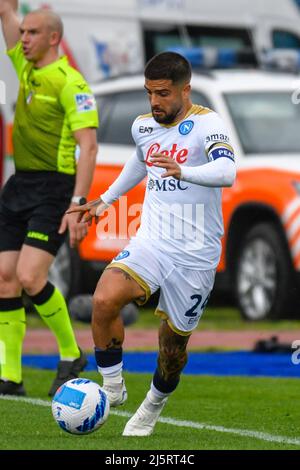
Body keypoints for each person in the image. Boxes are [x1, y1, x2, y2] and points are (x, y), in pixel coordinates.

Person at [68, 51, 236, 436]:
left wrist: (185, 170)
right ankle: (112, 389)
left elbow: (227, 171)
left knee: (172, 351)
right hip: (153, 241)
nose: (154, 102)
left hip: (197, 253)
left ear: (184, 89)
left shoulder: (207, 124)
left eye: (162, 93)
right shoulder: (143, 126)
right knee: (104, 298)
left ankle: (153, 405)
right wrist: (105, 201)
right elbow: (140, 163)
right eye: (149, 93)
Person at [0, 0, 98, 397]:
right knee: (5, 279)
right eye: (23, 33)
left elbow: (88, 148)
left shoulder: (71, 82)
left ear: (53, 37)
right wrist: (11, 12)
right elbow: (7, 12)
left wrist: (78, 202)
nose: (24, 39)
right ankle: (10, 375)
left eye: (32, 32)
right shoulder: (25, 68)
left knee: (29, 277)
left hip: (53, 188)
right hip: (19, 184)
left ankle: (71, 352)